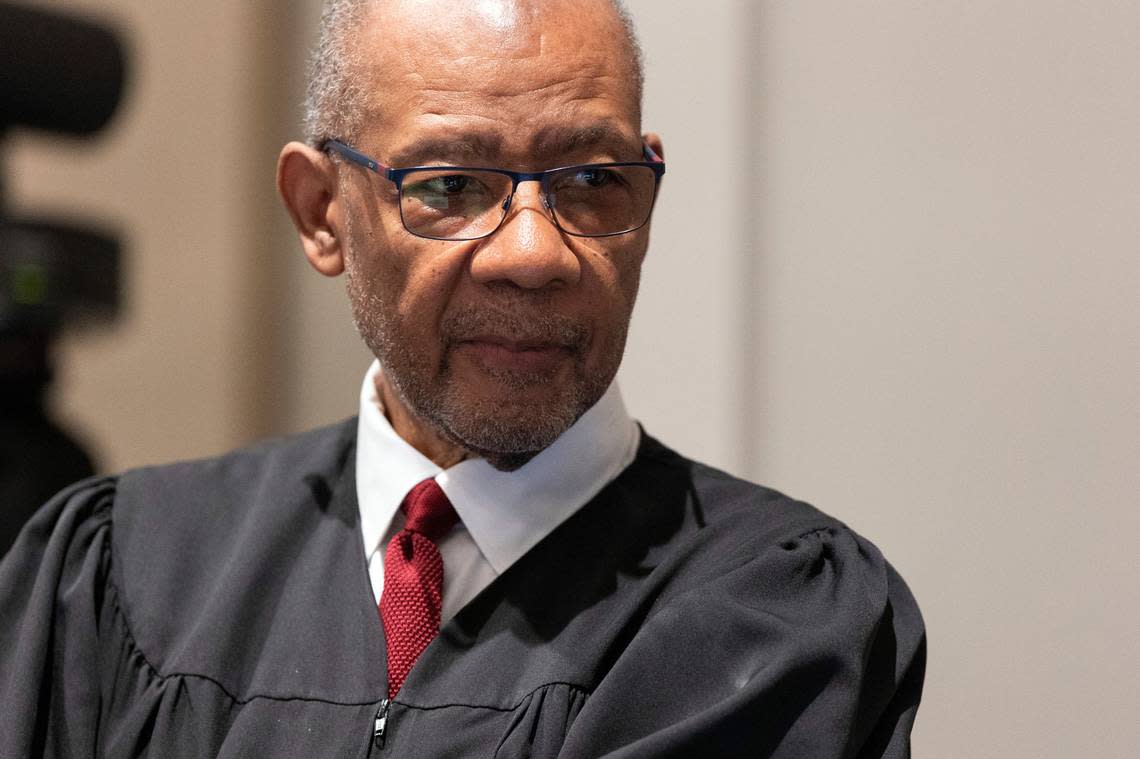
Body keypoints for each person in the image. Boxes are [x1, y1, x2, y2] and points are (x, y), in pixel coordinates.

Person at [0, 0, 925, 756]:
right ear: (322, 214)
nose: (535, 253)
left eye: (593, 179)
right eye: (450, 186)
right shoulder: (123, 579)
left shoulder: (773, 621)